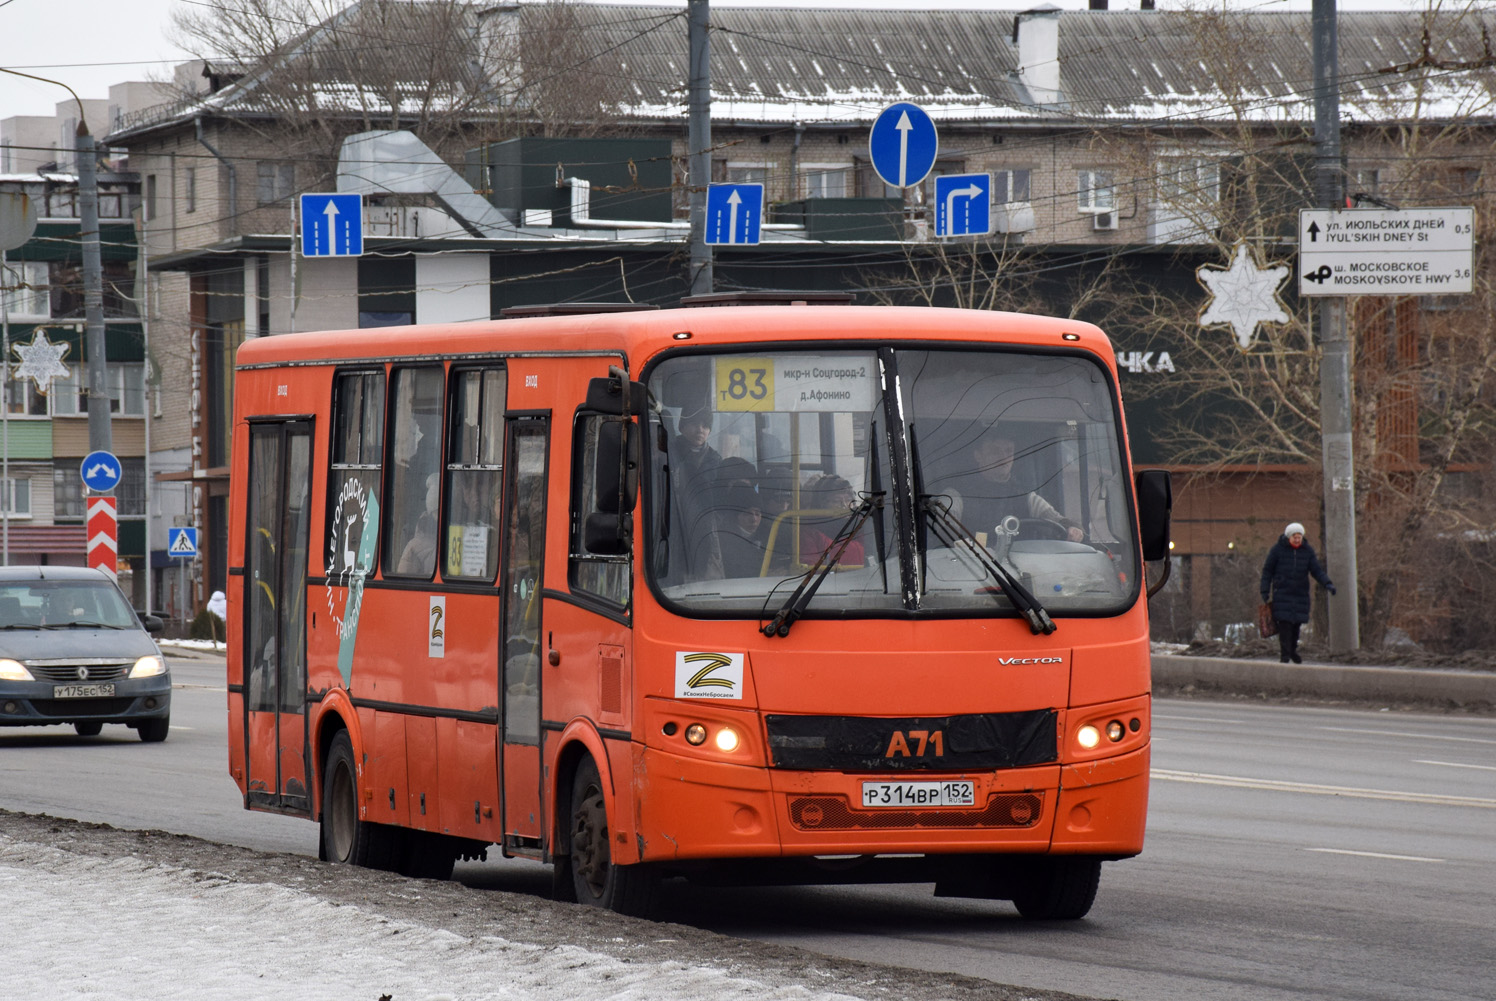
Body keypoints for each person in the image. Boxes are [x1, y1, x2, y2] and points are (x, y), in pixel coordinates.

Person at [953, 435, 1084, 543]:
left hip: (1021, 569)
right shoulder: (955, 495)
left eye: (1009, 451)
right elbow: (944, 530)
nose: (1003, 458)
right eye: (995, 451)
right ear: (978, 456)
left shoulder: (1026, 497)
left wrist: (1073, 529)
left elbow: (1056, 521)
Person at [1260, 521, 1336, 664]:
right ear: (1288, 537)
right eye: (1294, 536)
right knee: (1285, 625)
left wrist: (1327, 583)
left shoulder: (1307, 551)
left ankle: (1293, 650)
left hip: (1300, 595)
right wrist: (1264, 590)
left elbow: (1316, 571)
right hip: (1282, 594)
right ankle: (1285, 655)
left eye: (1299, 536)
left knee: (1296, 626)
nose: (1297, 539)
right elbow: (1267, 571)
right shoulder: (1277, 550)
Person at [798, 473, 865, 568]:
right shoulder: (809, 530)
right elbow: (810, 569)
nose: (845, 506)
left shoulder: (862, 524)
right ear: (821, 504)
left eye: (849, 500)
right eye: (836, 501)